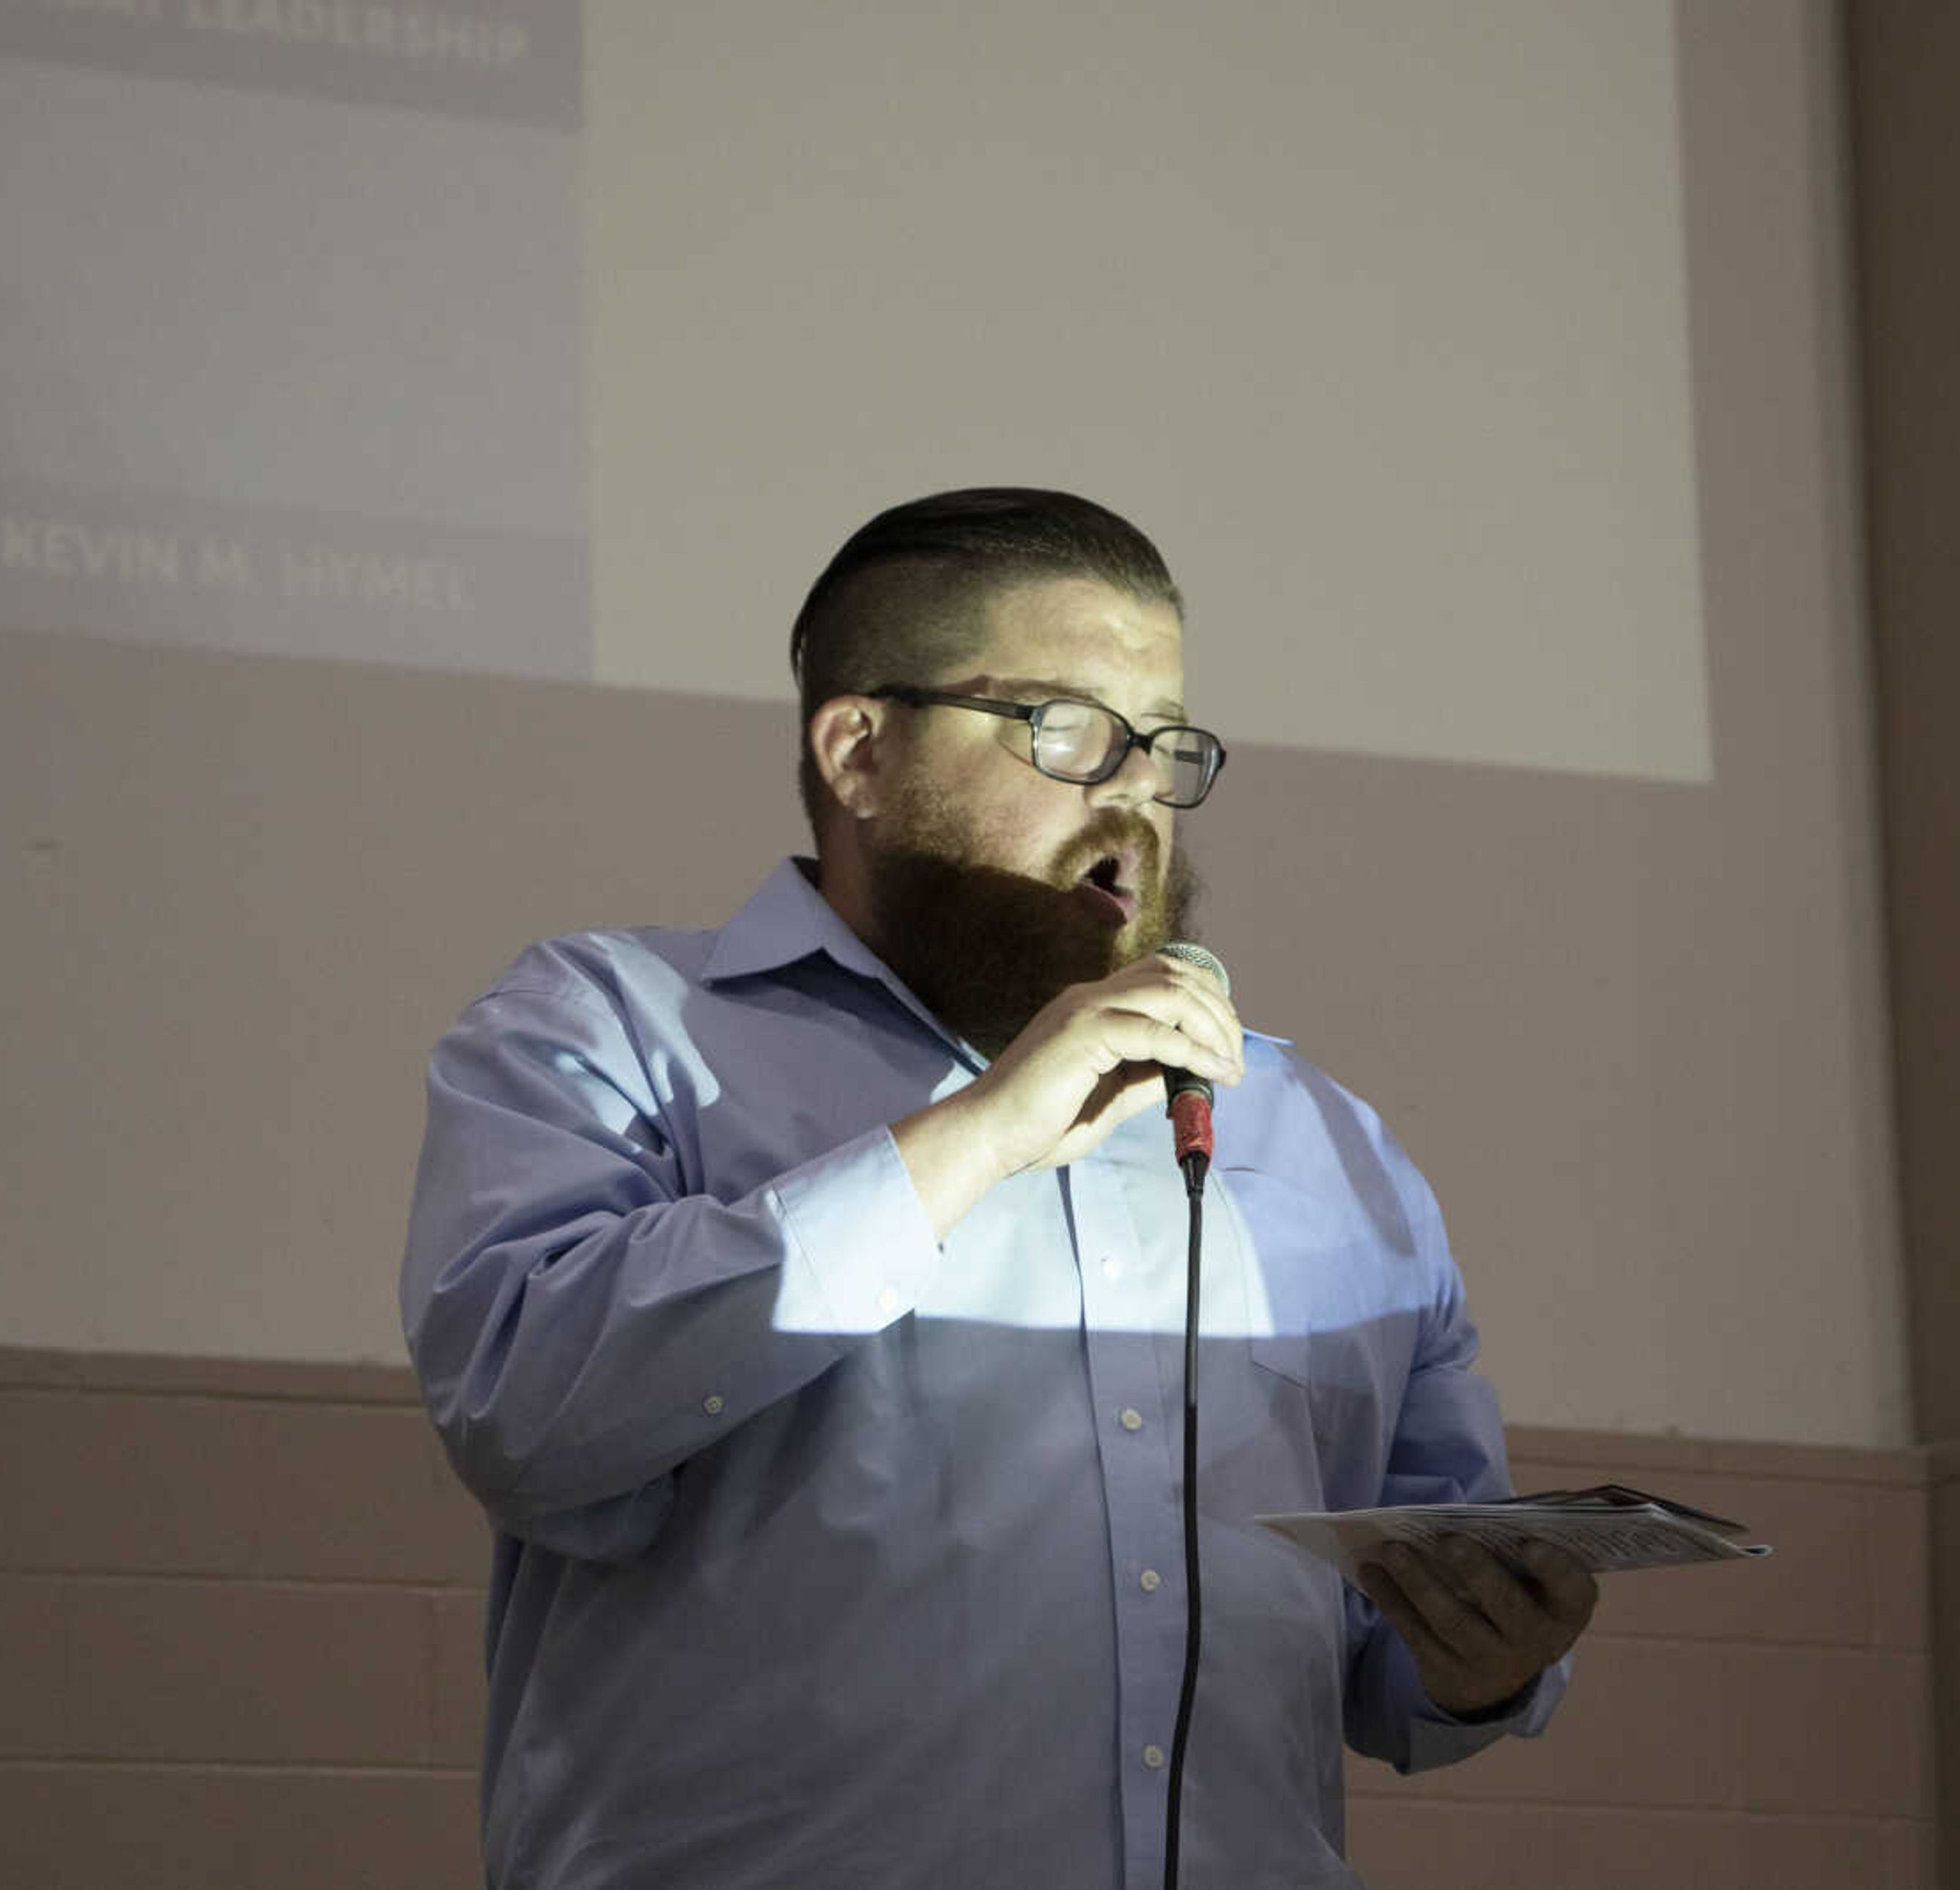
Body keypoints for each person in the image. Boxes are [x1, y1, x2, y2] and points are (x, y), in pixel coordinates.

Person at [401, 488, 1596, 1889]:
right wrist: (982, 1129)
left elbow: (1393, 1665)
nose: (1135, 797)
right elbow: (529, 1413)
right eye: (1068, 730)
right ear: (859, 751)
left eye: (1164, 747)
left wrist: (1485, 1664)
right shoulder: (611, 1027)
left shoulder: (1328, 1147)